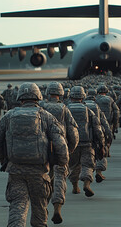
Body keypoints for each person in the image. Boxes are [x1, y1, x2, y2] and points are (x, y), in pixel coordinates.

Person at [0, 82, 69, 227]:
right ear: (38, 97)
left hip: (16, 171)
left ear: (20, 98)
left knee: (17, 207)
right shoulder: (46, 117)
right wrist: (61, 162)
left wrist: (3, 160)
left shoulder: (9, 116)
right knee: (39, 209)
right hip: (40, 172)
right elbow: (61, 143)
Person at [40, 81, 79, 224]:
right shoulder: (64, 109)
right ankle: (57, 206)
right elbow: (73, 132)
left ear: (47, 93)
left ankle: (43, 207)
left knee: (44, 179)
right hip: (60, 148)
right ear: (61, 94)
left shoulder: (41, 108)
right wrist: (70, 150)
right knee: (60, 178)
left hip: (42, 150)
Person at [67, 86, 105, 197]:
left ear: (71, 96)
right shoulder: (88, 110)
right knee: (87, 165)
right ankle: (86, 184)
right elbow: (98, 128)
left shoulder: (66, 109)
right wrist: (102, 144)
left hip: (71, 144)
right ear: (83, 96)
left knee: (73, 166)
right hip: (87, 143)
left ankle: (75, 187)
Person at [85, 89, 113, 183]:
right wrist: (108, 136)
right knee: (101, 153)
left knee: (85, 161)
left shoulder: (82, 107)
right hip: (96, 134)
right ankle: (99, 171)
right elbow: (104, 122)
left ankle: (83, 181)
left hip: (83, 136)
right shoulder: (97, 108)